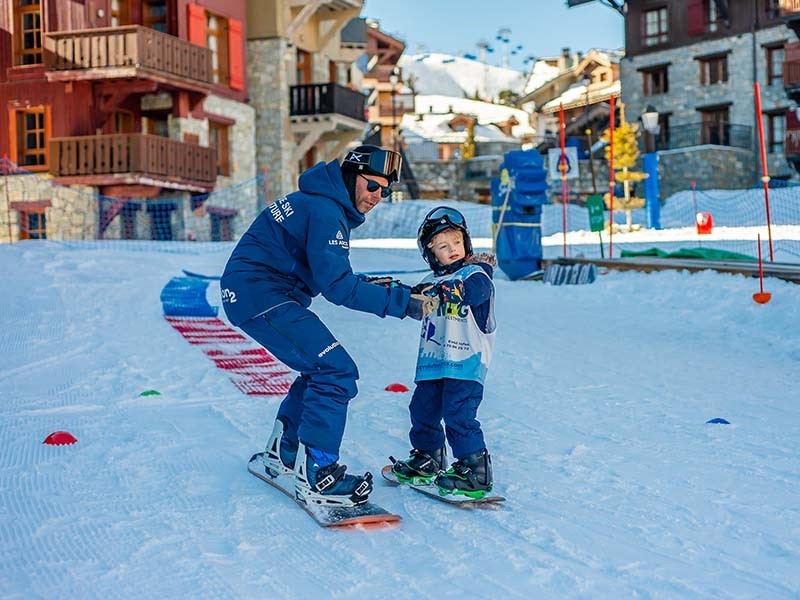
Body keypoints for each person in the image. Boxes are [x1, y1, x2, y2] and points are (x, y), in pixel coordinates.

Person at [220, 145, 433, 508]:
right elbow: (337, 286)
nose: (378, 197)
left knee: (319, 369)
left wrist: (399, 291)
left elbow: (335, 275)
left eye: (385, 191)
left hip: (256, 294)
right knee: (336, 371)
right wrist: (404, 305)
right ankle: (319, 473)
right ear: (351, 177)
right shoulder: (324, 210)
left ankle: (282, 453)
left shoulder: (320, 202)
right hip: (262, 295)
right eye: (372, 186)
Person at [390, 206, 497, 499]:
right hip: (433, 363)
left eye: (457, 243)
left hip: (466, 362)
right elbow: (411, 300)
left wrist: (449, 292)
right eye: (443, 246)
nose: (452, 250)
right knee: (421, 410)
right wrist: (389, 291)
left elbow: (476, 292)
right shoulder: (431, 281)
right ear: (431, 253)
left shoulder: (477, 274)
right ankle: (429, 458)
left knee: (458, 413)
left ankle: (475, 470)